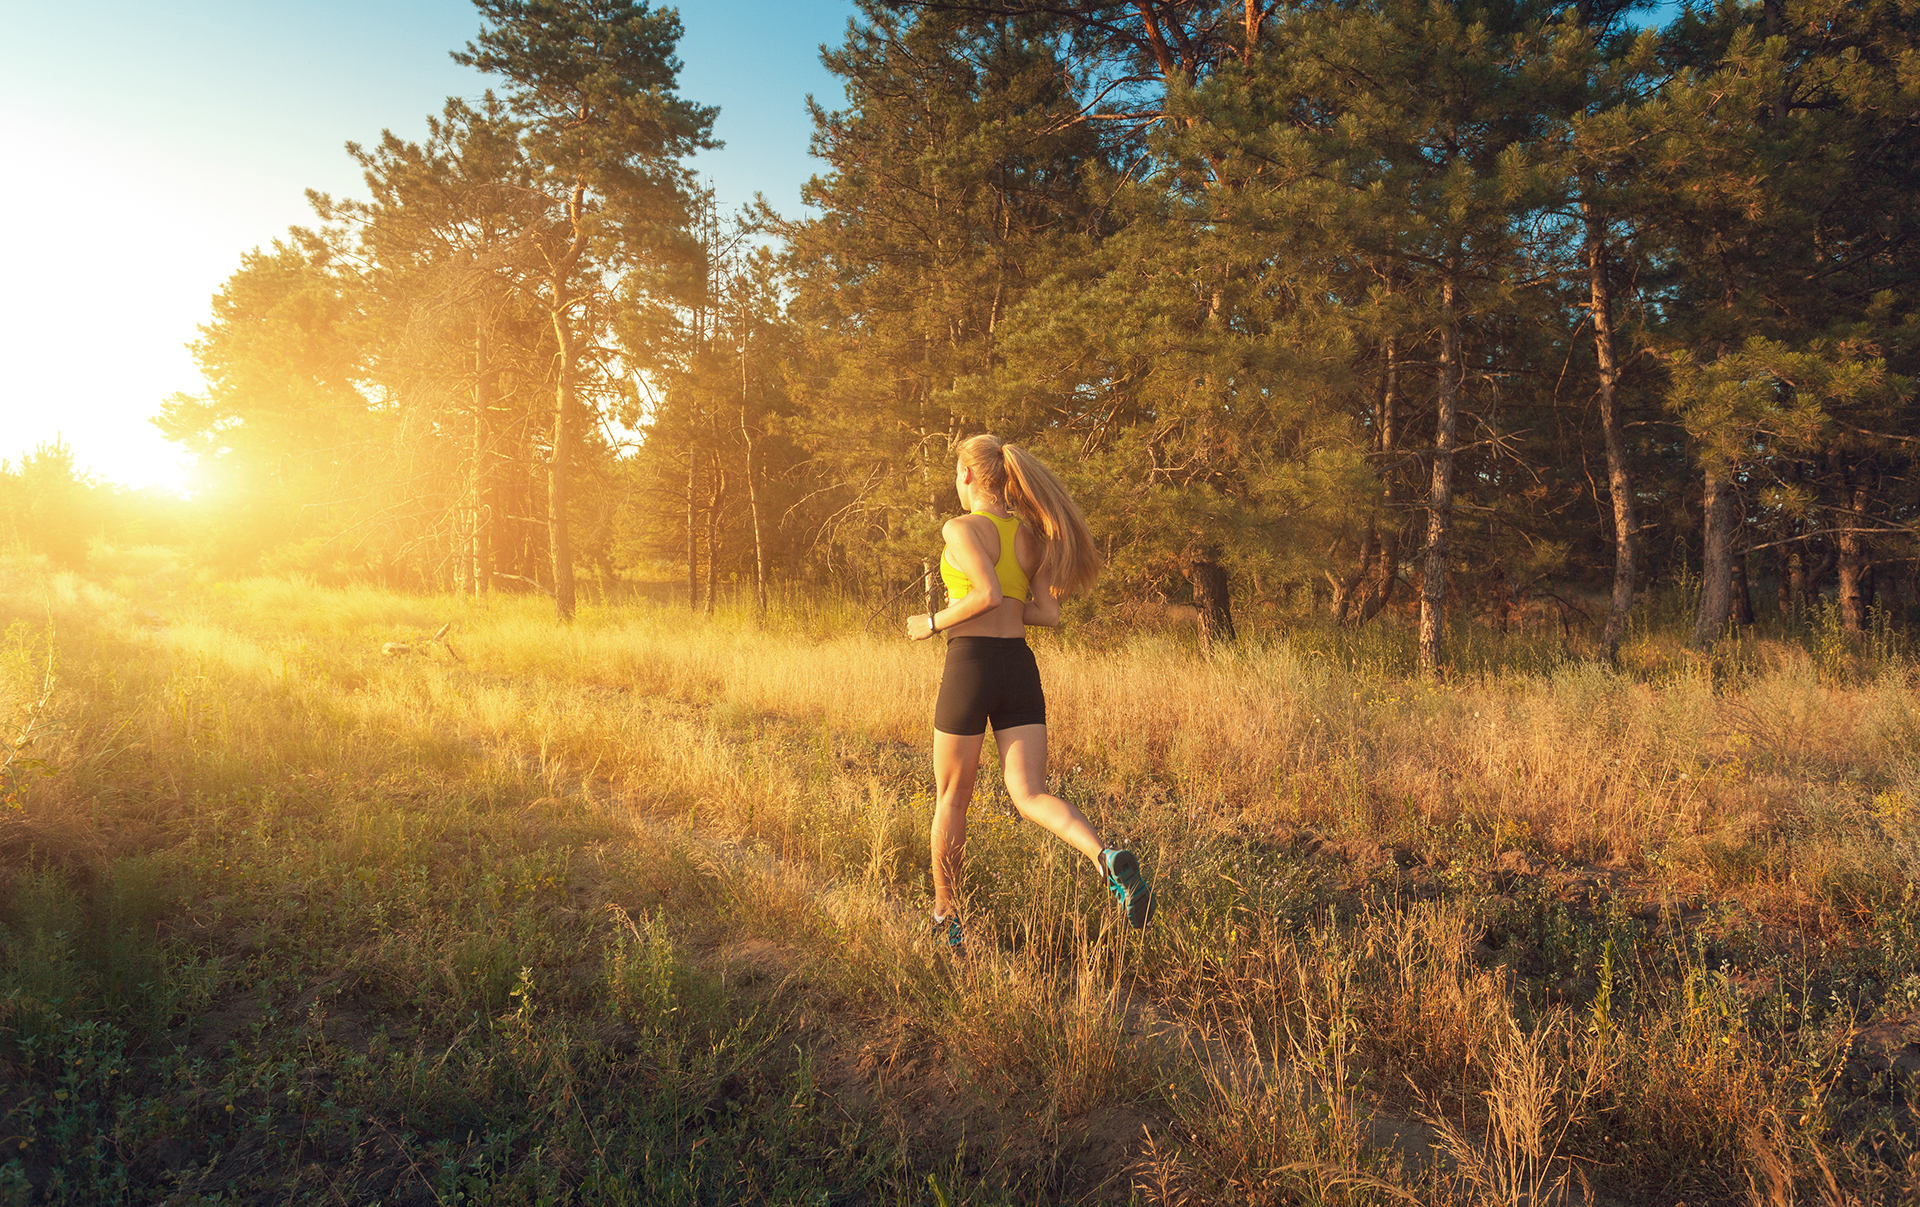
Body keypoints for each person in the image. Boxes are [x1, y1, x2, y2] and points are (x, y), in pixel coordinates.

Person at [906, 434, 1153, 949]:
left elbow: (986, 594)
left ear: (969, 476)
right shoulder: (1030, 538)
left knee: (952, 799)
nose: (957, 481)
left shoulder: (959, 528)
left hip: (970, 666)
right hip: (1019, 668)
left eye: (957, 473)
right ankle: (1105, 858)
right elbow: (1048, 614)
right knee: (1031, 794)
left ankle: (946, 918)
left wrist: (931, 622)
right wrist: (1009, 609)